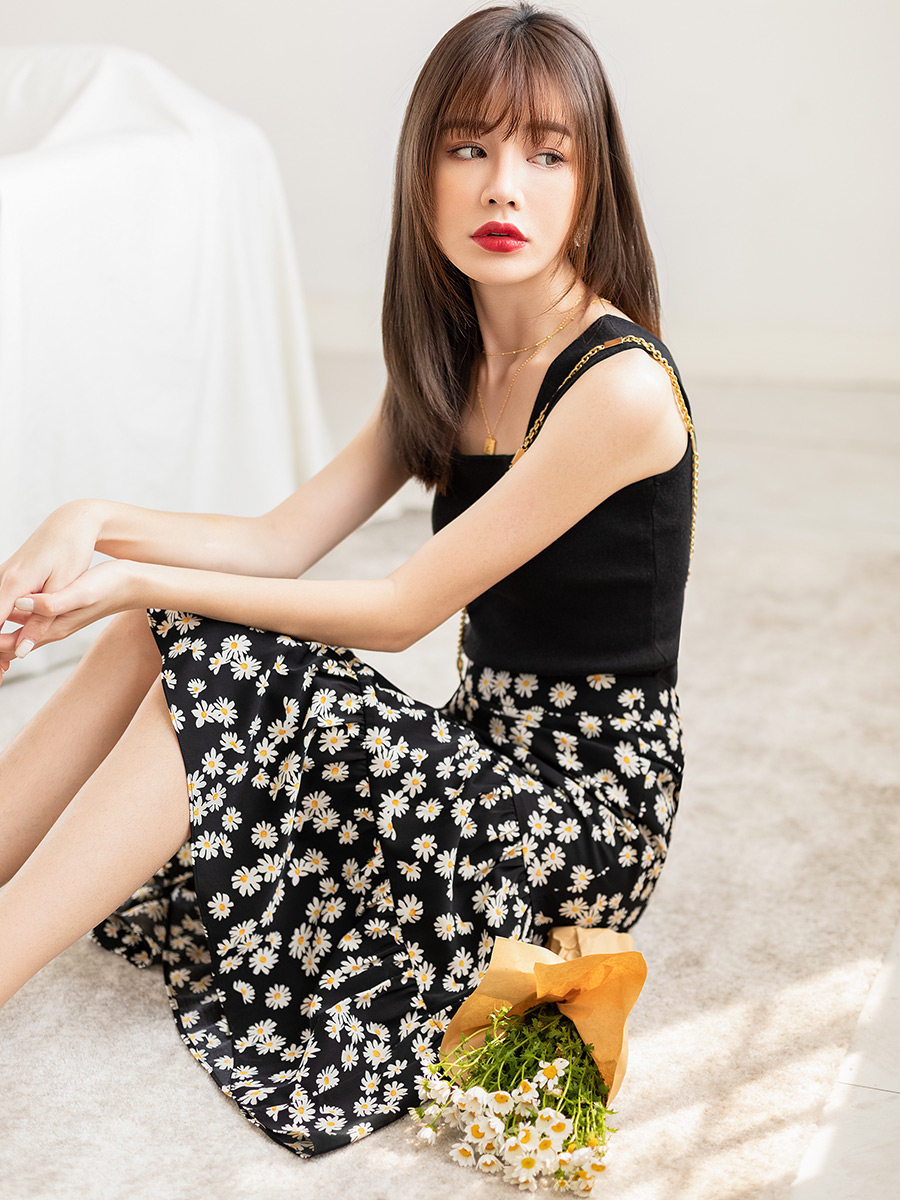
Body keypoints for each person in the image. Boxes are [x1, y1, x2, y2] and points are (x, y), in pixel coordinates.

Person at [0, 1, 696, 1160]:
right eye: (468, 148)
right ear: (423, 173)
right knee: (176, 621)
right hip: (480, 756)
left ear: (593, 185)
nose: (503, 188)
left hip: (578, 831)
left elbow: (399, 610)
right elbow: (278, 541)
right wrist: (95, 524)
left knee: (222, 656)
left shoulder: (616, 387)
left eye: (547, 155)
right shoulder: (458, 361)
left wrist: (131, 582)